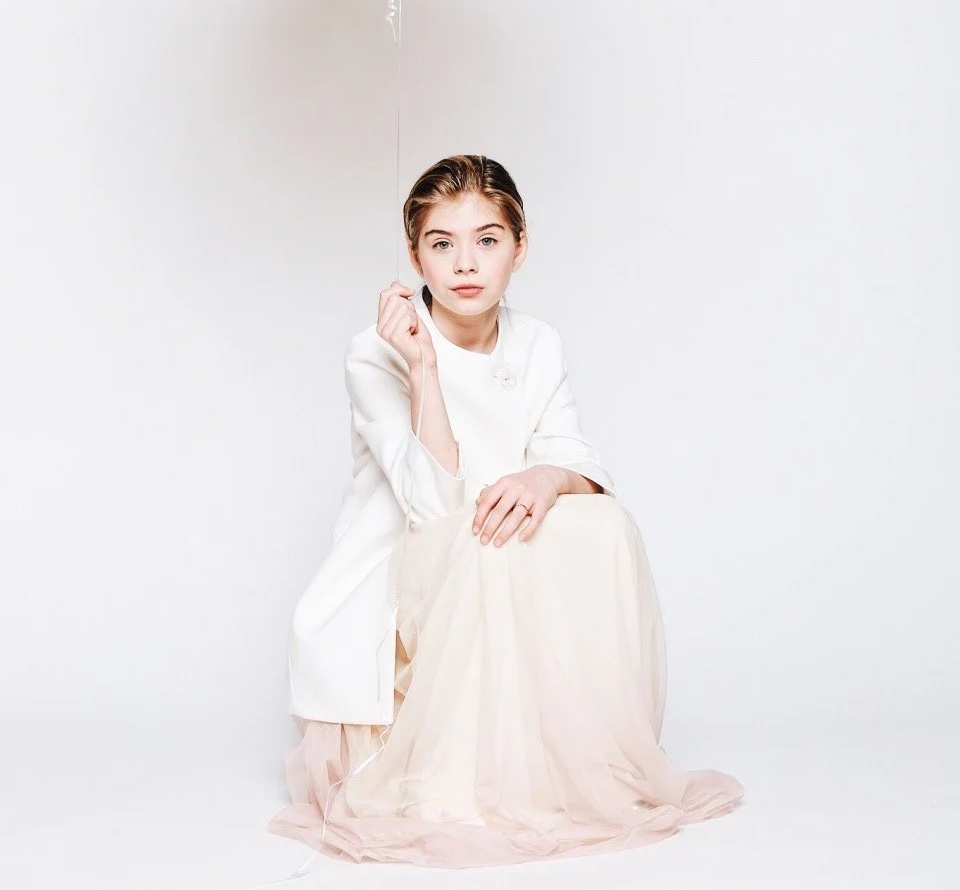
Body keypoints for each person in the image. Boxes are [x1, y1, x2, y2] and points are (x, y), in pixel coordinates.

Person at [267, 154, 744, 866]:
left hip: (497, 556)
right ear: (413, 254)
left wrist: (548, 476)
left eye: (487, 239)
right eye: (441, 243)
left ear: (520, 247)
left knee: (601, 522)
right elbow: (430, 507)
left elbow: (581, 458)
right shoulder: (374, 355)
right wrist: (423, 364)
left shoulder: (537, 341)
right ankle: (454, 763)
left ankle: (564, 752)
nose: (465, 262)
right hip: (406, 578)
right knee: (481, 541)